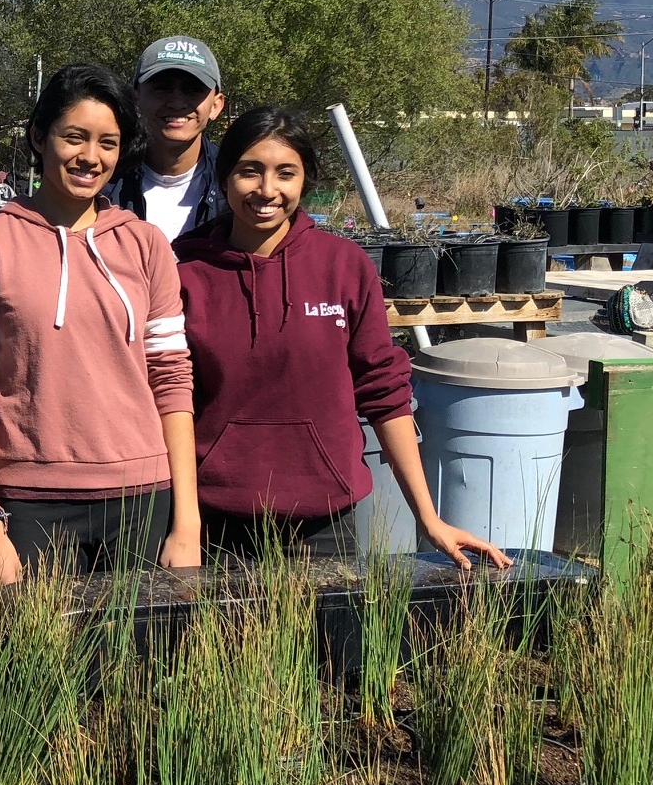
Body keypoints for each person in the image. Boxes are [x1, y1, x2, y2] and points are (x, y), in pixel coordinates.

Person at [173, 106, 510, 568]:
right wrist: (183, 524)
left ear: (305, 180)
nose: (267, 190)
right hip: (212, 525)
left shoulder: (344, 267)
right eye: (250, 171)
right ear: (224, 176)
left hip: (325, 525)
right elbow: (168, 398)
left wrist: (430, 519)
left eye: (284, 173)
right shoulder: (184, 272)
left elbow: (384, 393)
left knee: (329, 644)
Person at [0, 64, 201, 583]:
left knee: (138, 663)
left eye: (108, 142)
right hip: (30, 503)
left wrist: (188, 522)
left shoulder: (145, 245)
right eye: (74, 137)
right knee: (37, 662)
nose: (91, 157)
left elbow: (172, 381)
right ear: (40, 137)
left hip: (141, 501)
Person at [108, 35, 229, 246]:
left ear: (216, 105)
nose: (176, 102)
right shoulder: (103, 180)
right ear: (135, 98)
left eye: (193, 89)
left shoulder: (235, 184)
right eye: (162, 87)